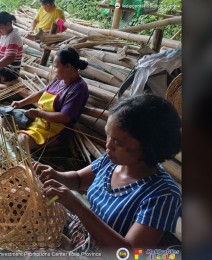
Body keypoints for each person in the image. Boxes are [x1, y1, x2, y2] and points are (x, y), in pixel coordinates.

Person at [34, 94, 182, 252]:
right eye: (108, 136)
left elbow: (129, 254)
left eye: (118, 142)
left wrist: (78, 207)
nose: (108, 146)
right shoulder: (110, 161)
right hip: (79, 235)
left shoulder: (163, 195)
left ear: (150, 147)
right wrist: (55, 175)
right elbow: (78, 180)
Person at [3, 47, 88, 151]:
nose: (53, 70)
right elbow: (40, 93)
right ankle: (23, 137)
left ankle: (26, 140)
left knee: (22, 141)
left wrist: (39, 114)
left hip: (56, 129)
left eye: (56, 67)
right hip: (40, 120)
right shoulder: (58, 79)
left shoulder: (78, 88)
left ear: (68, 66)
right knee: (5, 118)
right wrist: (20, 103)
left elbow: (65, 118)